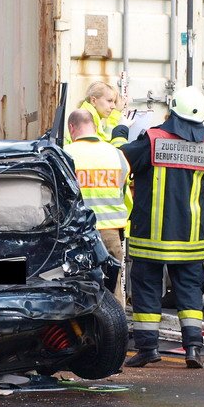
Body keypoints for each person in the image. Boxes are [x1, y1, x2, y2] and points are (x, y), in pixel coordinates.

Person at [119, 86, 204, 369]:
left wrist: (119, 131)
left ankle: (148, 349)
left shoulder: (151, 140)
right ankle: (193, 349)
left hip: (150, 238)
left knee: (147, 290)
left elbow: (120, 158)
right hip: (189, 240)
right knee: (189, 294)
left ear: (171, 111)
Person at [63, 109, 129, 297]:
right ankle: (115, 325)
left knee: (77, 287)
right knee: (113, 287)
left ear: (71, 128)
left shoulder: (65, 154)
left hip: (77, 233)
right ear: (94, 126)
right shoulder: (116, 154)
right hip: (110, 231)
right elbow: (123, 190)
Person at [65, 81, 130, 146]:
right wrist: (115, 114)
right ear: (93, 101)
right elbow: (104, 145)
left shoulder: (89, 115)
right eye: (109, 101)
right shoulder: (87, 119)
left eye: (114, 102)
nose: (113, 106)